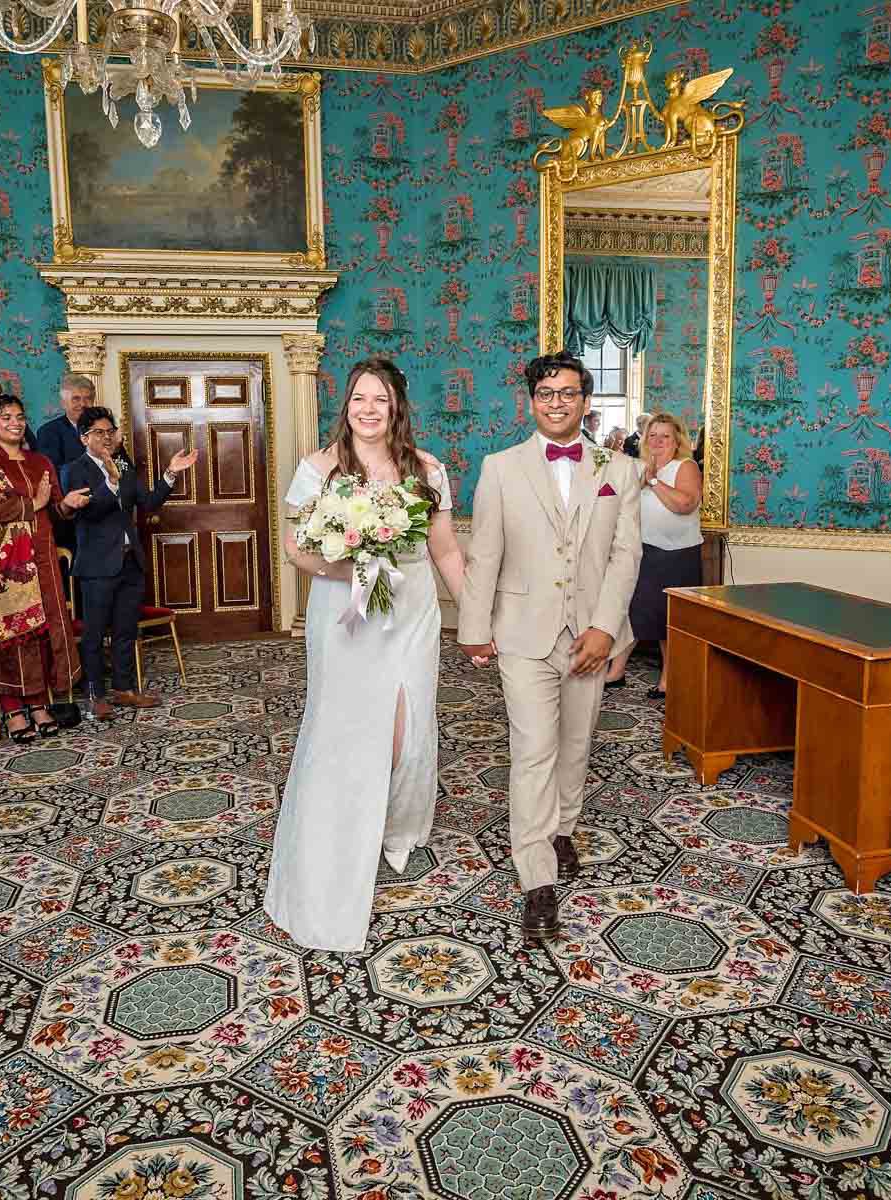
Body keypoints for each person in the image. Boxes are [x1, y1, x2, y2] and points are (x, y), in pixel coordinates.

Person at [264, 358, 467, 952]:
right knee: (345, 729)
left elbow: (447, 551)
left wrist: (478, 619)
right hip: (345, 616)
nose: (369, 409)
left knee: (406, 730)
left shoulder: (428, 470)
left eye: (380, 399)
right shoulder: (319, 468)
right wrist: (349, 561)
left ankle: (398, 826)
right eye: (359, 398)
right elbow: (295, 549)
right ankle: (341, 836)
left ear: (397, 406)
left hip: (411, 614)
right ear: (346, 405)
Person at [458, 349, 642, 941]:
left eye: (567, 392)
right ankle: (536, 878)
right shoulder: (501, 467)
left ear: (586, 402)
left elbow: (625, 555)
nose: (556, 402)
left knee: (575, 743)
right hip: (522, 631)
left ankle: (563, 827)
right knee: (533, 749)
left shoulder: (619, 470)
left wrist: (606, 627)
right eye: (545, 393)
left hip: (589, 630)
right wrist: (474, 628)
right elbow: (485, 552)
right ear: (531, 401)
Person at [0, 394, 92, 740]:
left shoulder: (40, 462)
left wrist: (67, 504)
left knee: (41, 634)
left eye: (19, 416)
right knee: (10, 636)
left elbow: (52, 509)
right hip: (4, 565)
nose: (15, 423)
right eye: (6, 417)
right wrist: (29, 504)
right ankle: (13, 710)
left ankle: (38, 703)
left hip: (43, 557)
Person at [60, 407, 196, 719]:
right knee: (94, 634)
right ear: (84, 438)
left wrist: (171, 473)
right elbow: (89, 512)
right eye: (99, 433)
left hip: (130, 562)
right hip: (96, 565)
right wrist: (109, 481)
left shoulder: (124, 466)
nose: (107, 437)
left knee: (126, 630)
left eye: (110, 432)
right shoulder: (74, 470)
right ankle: (94, 694)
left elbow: (148, 502)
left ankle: (124, 689)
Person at [608, 412, 702, 696]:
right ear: (644, 439)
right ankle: (616, 671)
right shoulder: (637, 467)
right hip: (641, 550)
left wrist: (653, 481)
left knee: (667, 618)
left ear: (677, 441)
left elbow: (684, 504)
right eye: (653, 435)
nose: (658, 441)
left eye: (665, 436)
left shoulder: (684, 466)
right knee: (629, 610)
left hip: (675, 555)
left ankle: (668, 678)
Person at [36, 374, 96, 467]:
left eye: (87, 399)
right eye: (76, 399)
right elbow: (53, 472)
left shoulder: (105, 428)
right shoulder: (48, 432)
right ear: (63, 403)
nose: (83, 404)